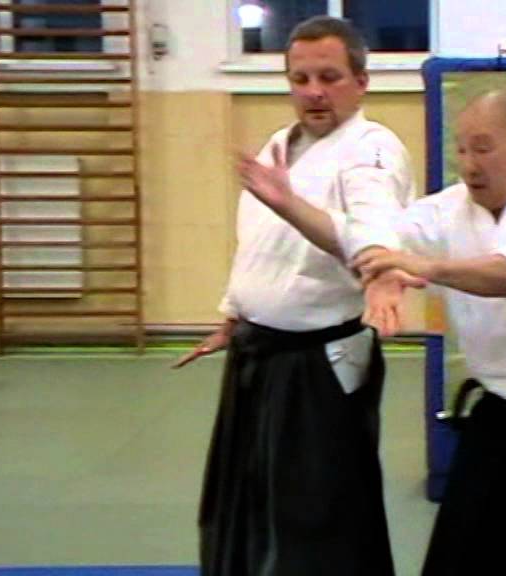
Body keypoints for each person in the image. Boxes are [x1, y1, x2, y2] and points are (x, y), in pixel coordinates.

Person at [237, 88, 506, 575]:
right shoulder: (448, 210)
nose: (469, 163)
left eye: (483, 147)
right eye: (460, 149)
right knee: (461, 555)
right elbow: (365, 239)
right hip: (502, 411)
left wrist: (426, 267)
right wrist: (291, 206)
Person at [174, 15, 417, 576]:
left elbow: (373, 226)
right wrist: (233, 316)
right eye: (300, 78)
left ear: (362, 81)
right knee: (244, 499)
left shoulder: (372, 149)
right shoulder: (280, 146)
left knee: (317, 511)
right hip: (258, 353)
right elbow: (260, 246)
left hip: (319, 364)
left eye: (329, 76)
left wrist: (382, 271)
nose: (313, 91)